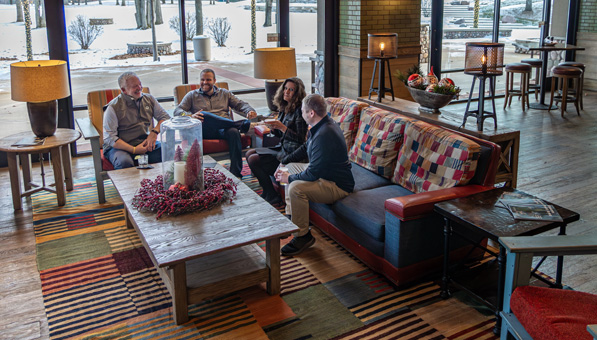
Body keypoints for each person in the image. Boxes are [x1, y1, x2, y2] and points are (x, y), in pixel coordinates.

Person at [275, 94, 355, 256]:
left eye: (303, 111)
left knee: (296, 187)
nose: (302, 114)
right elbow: (306, 147)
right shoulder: (322, 125)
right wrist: (284, 162)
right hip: (323, 175)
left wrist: (288, 179)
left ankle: (303, 236)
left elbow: (313, 173)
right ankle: (292, 219)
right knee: (290, 168)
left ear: (311, 113)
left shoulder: (325, 134)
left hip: (336, 185)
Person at [173, 68, 257, 178]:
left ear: (214, 81)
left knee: (233, 132)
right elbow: (177, 111)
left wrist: (249, 111)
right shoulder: (192, 95)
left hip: (223, 129)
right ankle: (239, 124)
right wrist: (190, 116)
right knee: (205, 115)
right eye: (202, 79)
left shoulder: (225, 94)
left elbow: (240, 104)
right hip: (203, 130)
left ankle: (236, 174)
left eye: (208, 79)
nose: (204, 82)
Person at [245, 77, 308, 205]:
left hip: (292, 153)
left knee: (253, 159)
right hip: (282, 147)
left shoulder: (300, 111)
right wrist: (274, 128)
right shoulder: (284, 107)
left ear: (297, 93)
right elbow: (280, 135)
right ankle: (267, 191)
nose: (286, 92)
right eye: (285, 88)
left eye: (291, 90)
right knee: (249, 153)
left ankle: (272, 194)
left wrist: (282, 128)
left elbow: (301, 139)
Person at [103, 71, 171, 169]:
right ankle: (129, 184)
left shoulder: (149, 99)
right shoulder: (113, 107)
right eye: (135, 86)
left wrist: (154, 133)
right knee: (124, 162)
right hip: (119, 148)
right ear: (124, 90)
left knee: (168, 151)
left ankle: (159, 182)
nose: (139, 88)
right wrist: (134, 150)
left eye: (140, 84)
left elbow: (165, 118)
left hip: (143, 143)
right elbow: (109, 138)